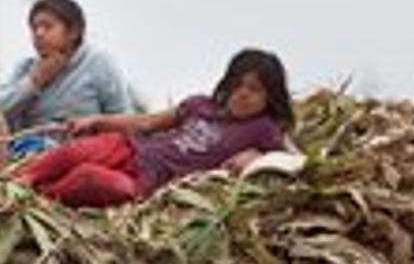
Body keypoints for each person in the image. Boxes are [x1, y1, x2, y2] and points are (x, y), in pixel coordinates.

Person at [17, 48, 296, 208]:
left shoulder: (264, 128)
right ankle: (24, 180)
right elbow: (147, 122)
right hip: (133, 148)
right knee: (77, 152)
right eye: (238, 85)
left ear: (270, 96)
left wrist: (259, 158)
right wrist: (97, 121)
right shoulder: (200, 104)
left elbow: (295, 161)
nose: (243, 94)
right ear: (228, 83)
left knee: (94, 179)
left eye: (254, 90)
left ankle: (44, 197)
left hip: (152, 182)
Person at [0, 0, 137, 157]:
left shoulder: (99, 64)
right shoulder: (25, 68)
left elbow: (124, 120)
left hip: (85, 156)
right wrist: (34, 83)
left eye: (47, 26)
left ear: (73, 31)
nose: (39, 34)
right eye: (34, 28)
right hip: (26, 155)